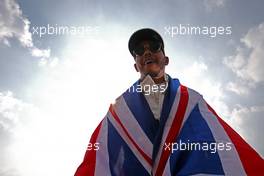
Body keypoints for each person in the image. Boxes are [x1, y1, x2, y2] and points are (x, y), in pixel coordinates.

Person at [75, 28, 263, 176]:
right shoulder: (119, 111)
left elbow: (218, 142)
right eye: (139, 51)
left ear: (166, 59)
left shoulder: (191, 101)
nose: (147, 51)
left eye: (154, 46)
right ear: (136, 64)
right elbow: (100, 159)